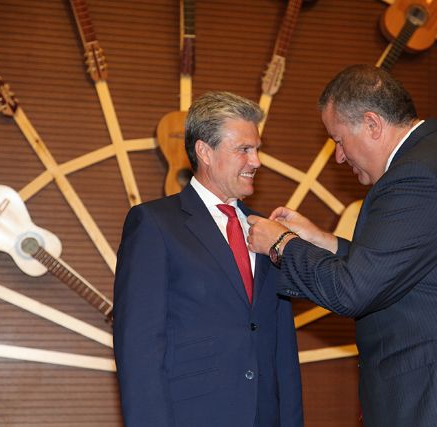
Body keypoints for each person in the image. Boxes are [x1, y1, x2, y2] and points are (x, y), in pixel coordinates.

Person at [247, 65, 437, 426]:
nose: (338, 156)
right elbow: (408, 270)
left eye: (338, 140)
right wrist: (324, 241)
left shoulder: (416, 177)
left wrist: (282, 243)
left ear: (372, 124)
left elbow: (353, 291)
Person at [113, 91, 303, 427]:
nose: (256, 161)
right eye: (244, 149)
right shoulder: (154, 224)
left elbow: (282, 349)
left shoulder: (267, 231)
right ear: (205, 151)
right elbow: (139, 350)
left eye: (257, 150)